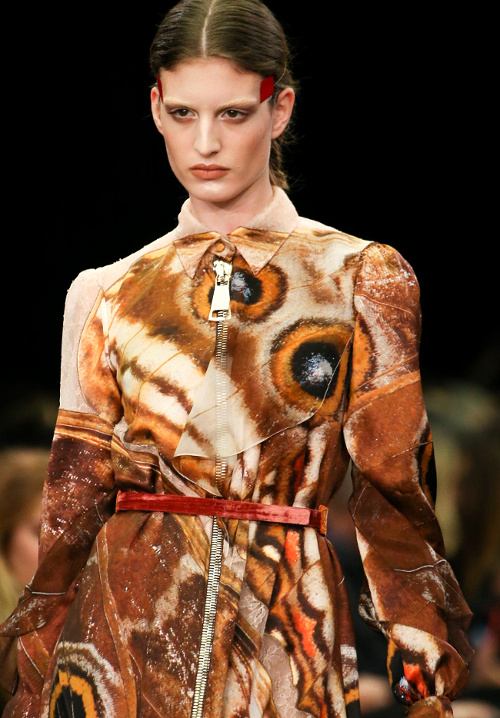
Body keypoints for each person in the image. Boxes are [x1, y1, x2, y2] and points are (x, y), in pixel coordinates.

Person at [0, 1, 473, 716]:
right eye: (183, 113)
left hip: (285, 638)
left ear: (280, 109)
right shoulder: (105, 292)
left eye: (233, 114)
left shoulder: (360, 278)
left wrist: (424, 682)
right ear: (155, 110)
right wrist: (33, 683)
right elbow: (72, 510)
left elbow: (395, 498)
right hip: (119, 648)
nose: (206, 143)